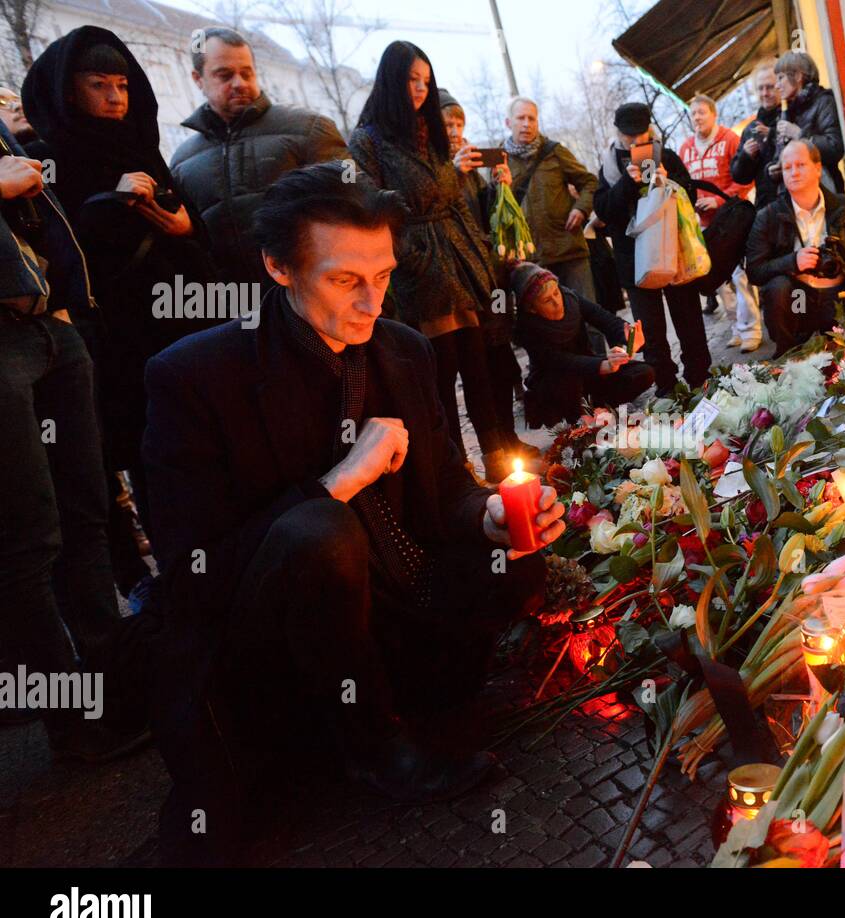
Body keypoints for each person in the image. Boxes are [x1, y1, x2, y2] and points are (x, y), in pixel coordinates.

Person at [141, 162, 563, 864]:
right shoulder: (196, 377)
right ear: (279, 267)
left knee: (517, 553)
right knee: (319, 531)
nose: (373, 301)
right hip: (265, 636)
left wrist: (489, 517)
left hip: (399, 595)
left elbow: (449, 488)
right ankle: (375, 747)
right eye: (344, 280)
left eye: (384, 274)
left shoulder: (402, 349)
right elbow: (195, 572)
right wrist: (336, 481)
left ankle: (414, 688)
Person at [22, 27, 218, 608]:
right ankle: (150, 584)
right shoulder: (45, 161)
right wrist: (110, 203)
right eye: (98, 84)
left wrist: (186, 228)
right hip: (107, 345)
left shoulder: (143, 149)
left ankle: (205, 564)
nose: (114, 97)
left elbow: (192, 241)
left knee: (189, 452)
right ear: (67, 90)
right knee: (122, 459)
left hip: (177, 330)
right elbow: (54, 252)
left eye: (122, 84)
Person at [0, 117, 149, 758]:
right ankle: (73, 721)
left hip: (51, 327)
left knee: (87, 517)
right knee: (27, 541)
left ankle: (117, 693)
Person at [350, 42, 514, 482]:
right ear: (391, 80)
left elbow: (454, 198)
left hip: (458, 260)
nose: (421, 90)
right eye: (411, 80)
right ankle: (457, 471)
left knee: (477, 367)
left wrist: (478, 249)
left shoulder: (430, 132)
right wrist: (412, 259)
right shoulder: (369, 141)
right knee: (439, 378)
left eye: (426, 81)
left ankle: (498, 459)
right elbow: (373, 209)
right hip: (419, 273)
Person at [170, 27, 349, 287]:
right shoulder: (183, 163)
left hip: (313, 294)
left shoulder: (309, 129)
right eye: (225, 75)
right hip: (236, 307)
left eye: (247, 72)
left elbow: (356, 204)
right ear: (198, 79)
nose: (239, 83)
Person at [440, 88, 537, 460]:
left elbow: (486, 216)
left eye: (459, 123)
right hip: (453, 286)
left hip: (486, 278)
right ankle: (472, 456)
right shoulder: (436, 168)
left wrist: (499, 185)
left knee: (498, 362)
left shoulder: (471, 168)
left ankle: (506, 443)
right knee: (466, 374)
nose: (454, 131)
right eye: (447, 123)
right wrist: (451, 173)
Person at [594, 102, 712, 396]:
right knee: (650, 331)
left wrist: (665, 178)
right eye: (628, 136)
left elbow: (690, 193)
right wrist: (627, 183)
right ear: (618, 133)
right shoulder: (608, 167)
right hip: (634, 261)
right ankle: (666, 388)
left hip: (673, 252)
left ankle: (700, 378)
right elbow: (605, 212)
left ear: (650, 129)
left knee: (689, 320)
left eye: (640, 134)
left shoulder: (666, 155)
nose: (634, 142)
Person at [746, 140, 845, 356]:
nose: (793, 172)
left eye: (800, 165)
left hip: (838, 295)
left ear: (818, 168)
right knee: (779, 288)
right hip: (799, 300)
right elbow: (754, 271)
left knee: (844, 355)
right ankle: (790, 352)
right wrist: (792, 261)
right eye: (787, 167)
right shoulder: (768, 216)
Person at [511, 262, 654, 427]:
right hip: (556, 382)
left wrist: (628, 339)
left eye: (556, 293)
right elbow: (561, 361)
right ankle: (580, 420)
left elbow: (605, 319)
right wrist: (603, 365)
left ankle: (601, 409)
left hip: (587, 372)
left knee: (643, 373)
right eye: (547, 300)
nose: (557, 302)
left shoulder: (570, 298)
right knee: (568, 383)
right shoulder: (527, 327)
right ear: (532, 309)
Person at [679, 93, 761, 352]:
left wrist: (719, 200)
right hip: (703, 225)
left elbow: (746, 178)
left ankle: (751, 330)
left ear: (714, 114)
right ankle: (736, 328)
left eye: (702, 112)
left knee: (739, 275)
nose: (697, 117)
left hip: (732, 221)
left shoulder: (730, 140)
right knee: (717, 278)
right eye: (693, 113)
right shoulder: (685, 149)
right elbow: (685, 185)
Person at [501, 96, 598, 302]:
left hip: (569, 251)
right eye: (520, 118)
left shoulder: (554, 152)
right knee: (550, 326)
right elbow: (495, 205)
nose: (527, 124)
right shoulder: (499, 159)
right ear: (508, 123)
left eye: (532, 118)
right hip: (530, 259)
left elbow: (589, 182)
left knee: (588, 319)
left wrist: (581, 209)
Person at [771, 51, 845, 194]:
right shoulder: (786, 111)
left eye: (781, 78)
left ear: (798, 76)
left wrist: (799, 134)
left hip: (825, 193)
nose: (777, 85)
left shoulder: (824, 101)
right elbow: (779, 154)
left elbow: (835, 147)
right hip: (796, 195)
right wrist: (775, 168)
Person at [731, 60, 782, 211]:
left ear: (780, 85)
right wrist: (746, 156)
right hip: (766, 207)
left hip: (796, 203)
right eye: (760, 88)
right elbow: (740, 177)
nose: (765, 93)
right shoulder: (751, 129)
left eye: (770, 87)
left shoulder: (792, 117)